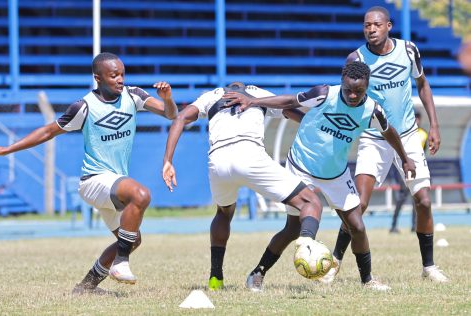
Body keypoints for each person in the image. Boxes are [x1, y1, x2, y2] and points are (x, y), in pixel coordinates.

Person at [0, 52, 179, 294]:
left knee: (132, 240)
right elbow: (47, 131)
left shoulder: (133, 95)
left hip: (113, 183)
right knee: (141, 195)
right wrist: (6, 149)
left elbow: (170, 114)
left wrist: (167, 99)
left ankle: (85, 288)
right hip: (94, 181)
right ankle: (121, 263)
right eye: (114, 75)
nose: (120, 79)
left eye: (122, 74)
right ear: (98, 78)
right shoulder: (84, 107)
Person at [223, 61, 416, 291]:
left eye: (359, 91)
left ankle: (367, 280)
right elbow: (289, 101)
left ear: (367, 87)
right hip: (302, 165)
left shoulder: (372, 110)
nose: (353, 95)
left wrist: (404, 158)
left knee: (358, 226)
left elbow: (389, 132)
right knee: (293, 229)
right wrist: (253, 101)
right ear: (341, 83)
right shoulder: (324, 94)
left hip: (335, 173)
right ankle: (257, 273)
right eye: (348, 90)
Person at [162, 82, 324, 292]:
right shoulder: (256, 92)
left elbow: (181, 117)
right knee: (311, 202)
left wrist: (167, 160)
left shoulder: (211, 95)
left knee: (223, 212)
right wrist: (313, 124)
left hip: (218, 162)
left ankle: (215, 277)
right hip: (249, 156)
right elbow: (287, 108)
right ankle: (307, 246)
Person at [327, 6, 449, 283]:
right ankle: (334, 262)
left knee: (424, 201)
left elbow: (422, 84)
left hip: (407, 135)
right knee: (358, 204)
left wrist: (434, 125)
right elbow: (346, 99)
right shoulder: (356, 58)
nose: (371, 29)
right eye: (366, 25)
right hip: (373, 138)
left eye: (377, 24)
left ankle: (428, 267)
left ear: (389, 26)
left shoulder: (408, 51)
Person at [390, 111, 428, 233]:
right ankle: (394, 225)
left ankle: (414, 225)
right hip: (404, 168)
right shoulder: (404, 132)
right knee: (402, 197)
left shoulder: (423, 134)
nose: (416, 120)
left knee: (417, 198)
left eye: (418, 117)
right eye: (414, 117)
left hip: (417, 169)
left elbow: (424, 151)